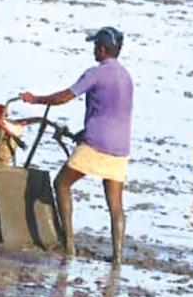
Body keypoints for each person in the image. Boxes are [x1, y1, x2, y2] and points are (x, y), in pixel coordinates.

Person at [19, 26, 133, 264]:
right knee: (115, 205)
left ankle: (69, 245)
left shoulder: (96, 73)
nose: (93, 49)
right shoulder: (126, 77)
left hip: (96, 145)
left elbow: (65, 96)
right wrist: (84, 131)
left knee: (61, 184)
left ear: (102, 49)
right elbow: (112, 111)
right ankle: (118, 257)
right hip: (120, 148)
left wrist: (35, 99)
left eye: (95, 46)